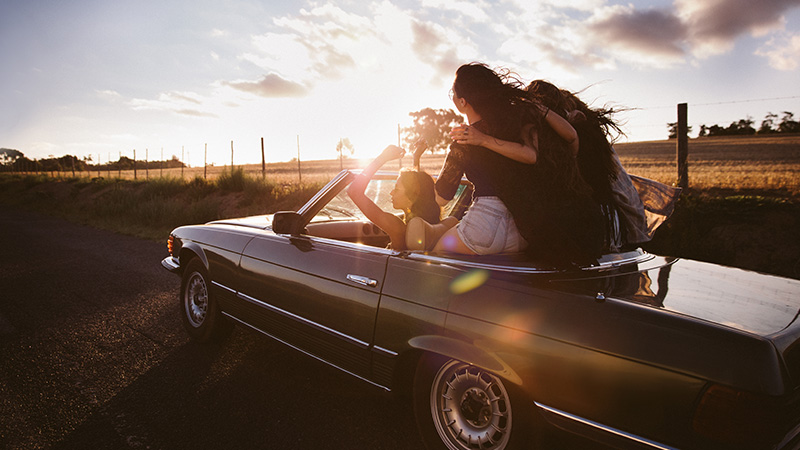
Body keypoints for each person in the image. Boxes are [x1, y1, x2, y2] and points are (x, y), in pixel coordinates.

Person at [432, 63, 605, 266]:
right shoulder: (515, 128)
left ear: (462, 102)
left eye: (453, 92)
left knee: (434, 255)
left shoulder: (465, 138)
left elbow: (442, 198)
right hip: (522, 228)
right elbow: (542, 150)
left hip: (484, 222)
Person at [346, 140, 456, 251]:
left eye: (397, 189)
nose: (391, 192)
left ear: (411, 198)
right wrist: (416, 158)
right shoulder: (430, 225)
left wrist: (383, 158)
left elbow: (354, 192)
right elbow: (419, 187)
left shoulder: (398, 229)